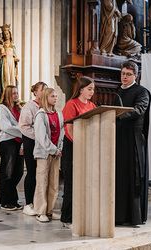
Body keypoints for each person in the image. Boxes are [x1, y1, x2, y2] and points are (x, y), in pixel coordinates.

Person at [114, 61, 151, 226]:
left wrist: (118, 115)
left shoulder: (142, 91)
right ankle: (119, 215)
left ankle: (134, 216)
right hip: (118, 138)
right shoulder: (118, 91)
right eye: (123, 73)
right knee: (120, 177)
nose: (124, 77)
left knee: (133, 175)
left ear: (136, 75)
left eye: (128, 74)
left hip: (134, 140)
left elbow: (139, 109)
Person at [60, 76, 96, 229]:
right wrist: (80, 145)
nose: (92, 92)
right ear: (81, 89)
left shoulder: (93, 105)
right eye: (89, 89)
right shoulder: (71, 103)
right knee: (71, 182)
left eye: (93, 89)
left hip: (87, 146)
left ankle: (82, 215)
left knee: (85, 183)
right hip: (72, 146)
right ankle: (67, 218)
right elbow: (69, 128)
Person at [33, 88, 64, 222]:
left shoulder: (59, 114)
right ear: (46, 98)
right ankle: (40, 211)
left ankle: (50, 210)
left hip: (56, 153)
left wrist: (59, 149)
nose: (55, 98)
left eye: (56, 96)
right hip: (44, 153)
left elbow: (62, 132)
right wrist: (54, 150)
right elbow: (41, 137)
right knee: (42, 182)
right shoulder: (40, 114)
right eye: (52, 96)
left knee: (53, 184)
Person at [19, 81, 48, 216]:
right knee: (31, 172)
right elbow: (24, 126)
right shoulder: (29, 106)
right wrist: (39, 136)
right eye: (42, 90)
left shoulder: (46, 106)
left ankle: (39, 202)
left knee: (41, 173)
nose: (44, 93)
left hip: (43, 144)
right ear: (35, 92)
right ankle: (28, 203)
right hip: (31, 142)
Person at [0, 85, 24, 211]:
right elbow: (5, 127)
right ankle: (5, 201)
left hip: (19, 143)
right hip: (8, 143)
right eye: (13, 93)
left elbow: (25, 124)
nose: (16, 95)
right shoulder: (2, 109)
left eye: (17, 93)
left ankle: (13, 200)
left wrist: (23, 133)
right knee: (7, 173)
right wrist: (23, 132)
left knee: (18, 173)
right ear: (7, 94)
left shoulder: (19, 109)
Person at [0, 24, 19, 100]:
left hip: (11, 64)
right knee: (5, 79)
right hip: (4, 64)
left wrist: (16, 59)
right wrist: (0, 52)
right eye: (4, 34)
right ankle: (4, 95)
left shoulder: (12, 46)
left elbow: (15, 56)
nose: (6, 35)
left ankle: (12, 94)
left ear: (9, 34)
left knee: (11, 79)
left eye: (7, 34)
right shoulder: (2, 45)